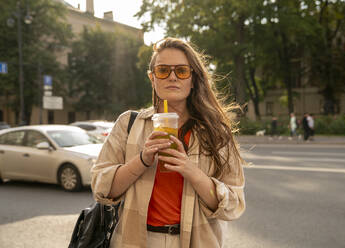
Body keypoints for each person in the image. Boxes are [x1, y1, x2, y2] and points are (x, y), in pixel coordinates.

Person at [91, 37, 245, 248]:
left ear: (193, 78)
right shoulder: (129, 123)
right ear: (152, 78)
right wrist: (142, 160)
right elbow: (101, 188)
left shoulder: (216, 132)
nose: (172, 77)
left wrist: (191, 170)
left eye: (181, 71)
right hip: (134, 241)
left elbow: (233, 204)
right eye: (163, 70)